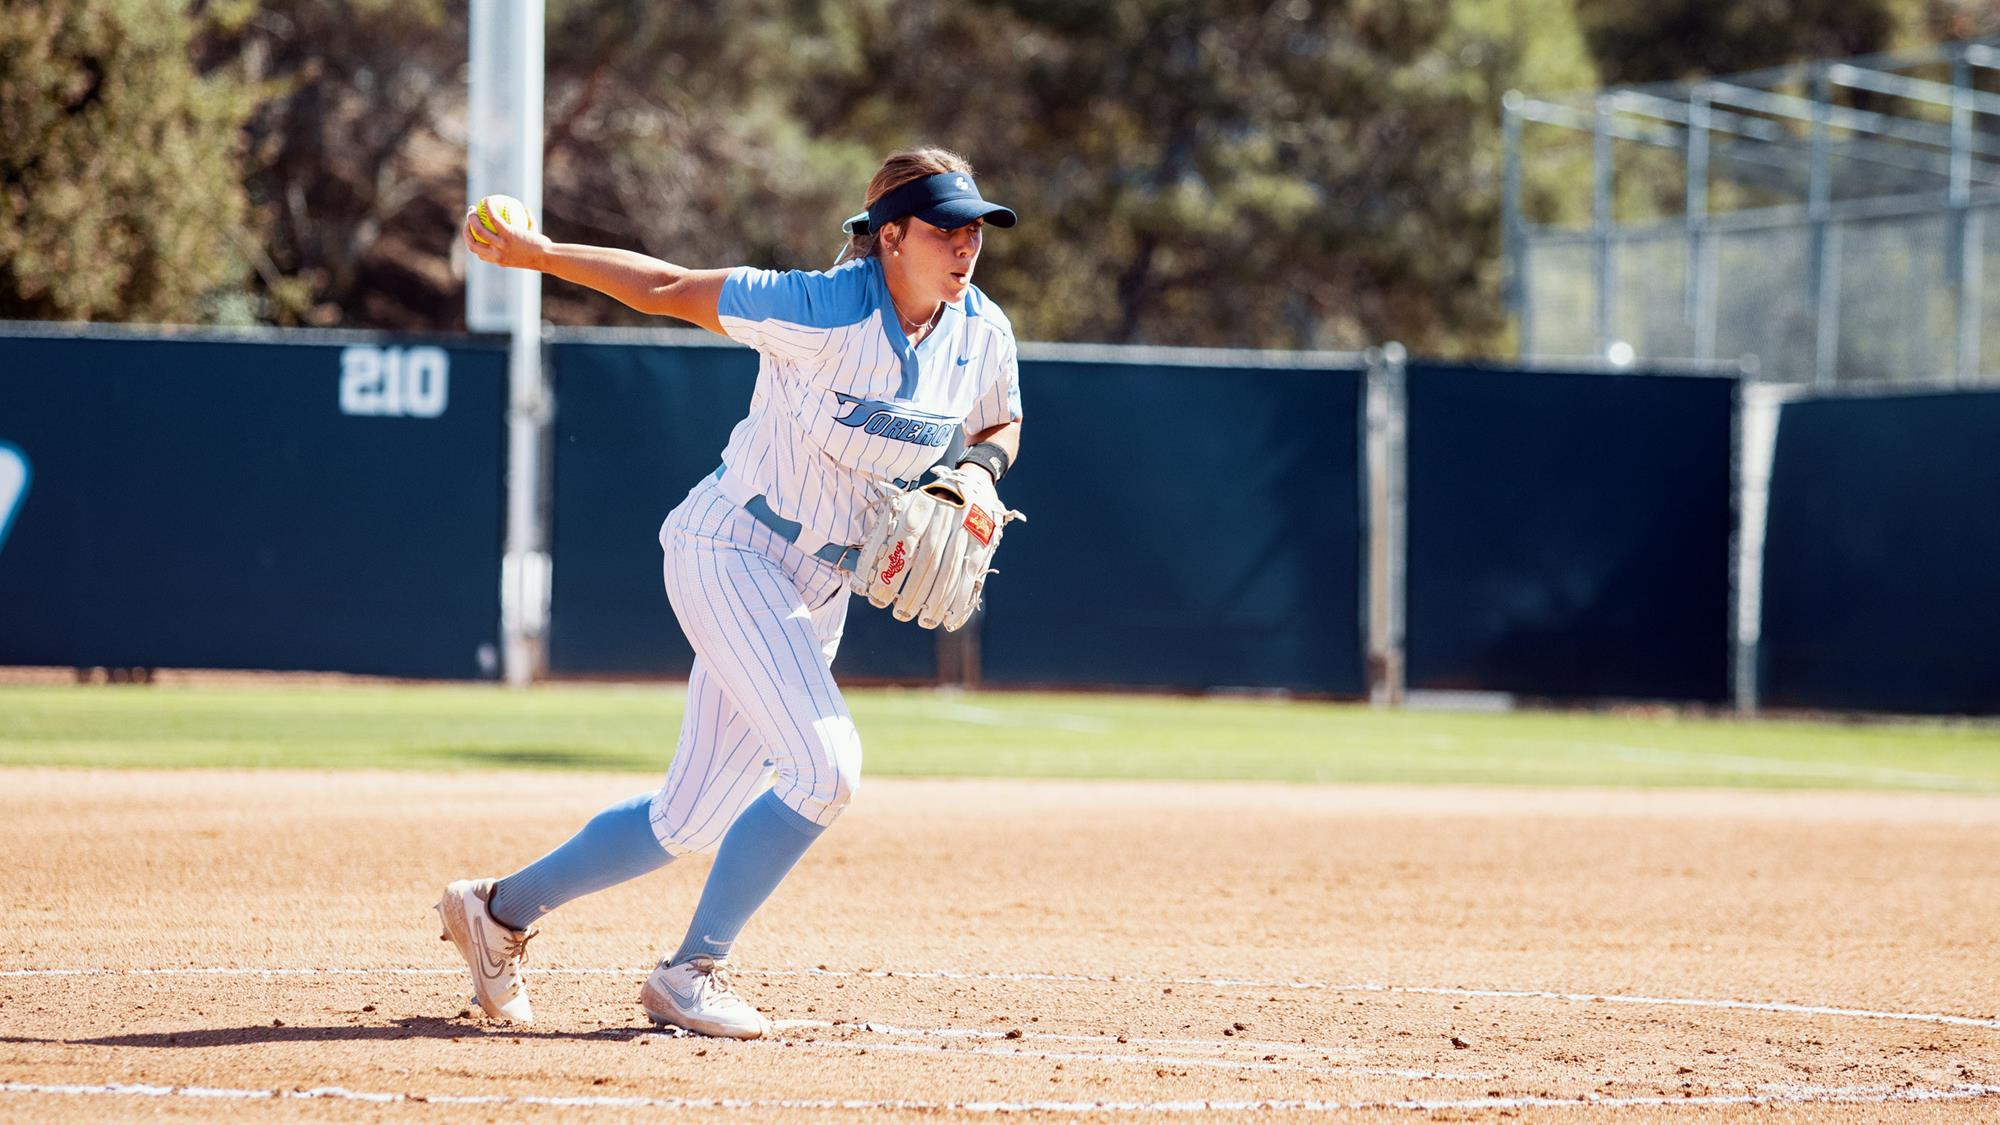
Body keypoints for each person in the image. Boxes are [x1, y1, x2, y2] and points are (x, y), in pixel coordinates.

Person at [437, 148, 1024, 1039]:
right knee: (827, 769)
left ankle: (497, 911)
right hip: (733, 547)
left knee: (688, 816)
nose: (967, 243)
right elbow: (671, 285)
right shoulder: (822, 306)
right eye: (947, 226)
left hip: (823, 586)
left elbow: (998, 418)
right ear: (891, 235)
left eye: (976, 226)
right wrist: (542, 253)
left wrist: (980, 472)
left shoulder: (980, 329)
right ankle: (690, 971)